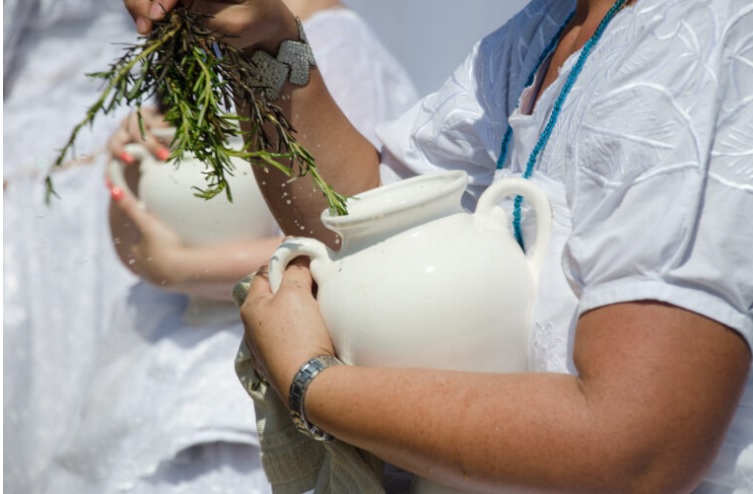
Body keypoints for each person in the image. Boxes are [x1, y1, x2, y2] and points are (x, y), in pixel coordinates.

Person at [123, 0, 753, 492]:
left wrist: (312, 383)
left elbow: (637, 445)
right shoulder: (540, 34)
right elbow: (366, 221)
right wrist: (266, 43)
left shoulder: (702, 42)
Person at [42, 2, 419, 493]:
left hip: (267, 345)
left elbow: (350, 229)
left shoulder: (331, 43)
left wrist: (183, 268)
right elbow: (137, 246)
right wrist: (134, 169)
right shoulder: (194, 48)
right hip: (167, 337)